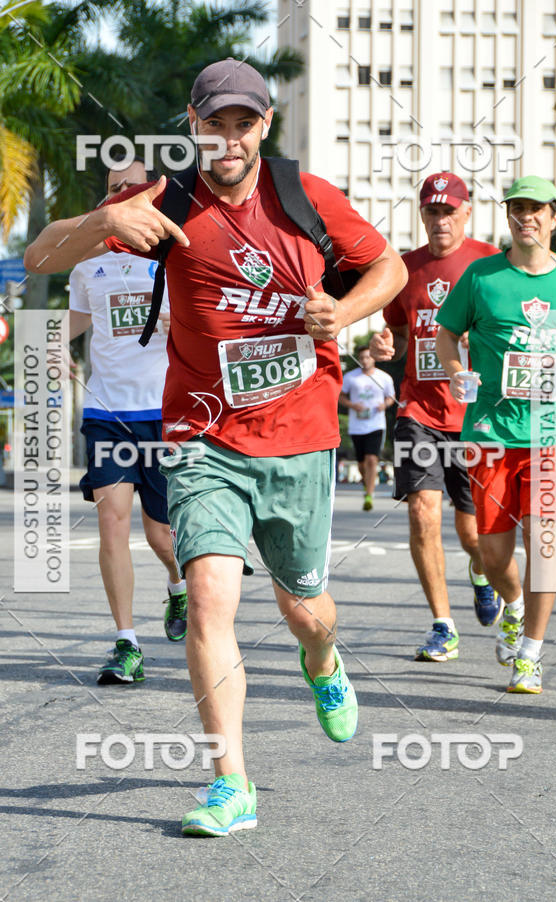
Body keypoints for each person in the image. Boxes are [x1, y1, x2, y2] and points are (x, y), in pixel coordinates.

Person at [25, 59, 407, 835]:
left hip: (300, 435)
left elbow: (389, 267)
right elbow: (38, 257)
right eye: (213, 123)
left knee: (307, 611)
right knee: (207, 596)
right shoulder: (164, 202)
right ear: (192, 127)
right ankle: (231, 783)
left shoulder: (305, 197)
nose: (227, 139)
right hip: (203, 435)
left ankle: (323, 664)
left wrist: (345, 309)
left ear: (264, 126)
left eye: (243, 123)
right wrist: (102, 223)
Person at [436, 175, 556, 693]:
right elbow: (445, 332)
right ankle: (510, 603)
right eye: (516, 208)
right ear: (508, 217)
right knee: (493, 554)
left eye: (535, 209)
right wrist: (453, 367)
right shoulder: (482, 277)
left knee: (546, 545)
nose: (524, 217)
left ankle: (530, 653)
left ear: (554, 216)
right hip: (491, 432)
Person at [370, 173, 502, 662]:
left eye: (449, 211)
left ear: (466, 212)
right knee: (423, 512)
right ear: (421, 214)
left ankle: (483, 572)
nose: (440, 220)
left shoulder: (491, 264)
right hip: (418, 410)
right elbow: (400, 337)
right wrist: (385, 347)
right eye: (432, 211)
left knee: (474, 535)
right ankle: (443, 625)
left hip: (475, 417)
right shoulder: (404, 270)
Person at [68, 157, 188, 685]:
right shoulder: (85, 266)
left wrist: (176, 321)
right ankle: (126, 643)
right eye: (116, 189)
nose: (125, 195)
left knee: (162, 537)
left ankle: (178, 586)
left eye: (135, 188)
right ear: (105, 201)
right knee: (111, 520)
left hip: (162, 414)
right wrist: (53, 349)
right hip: (107, 414)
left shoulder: (174, 260)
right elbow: (66, 326)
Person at [339, 345, 395, 510]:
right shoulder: (351, 377)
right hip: (357, 425)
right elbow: (340, 396)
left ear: (374, 358)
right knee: (362, 463)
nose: (365, 360)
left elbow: (391, 397)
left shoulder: (384, 377)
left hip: (376, 424)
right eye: (362, 357)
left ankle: (369, 495)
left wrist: (384, 405)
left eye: (368, 357)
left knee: (372, 459)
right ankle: (366, 483)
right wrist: (352, 405)